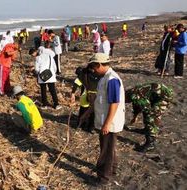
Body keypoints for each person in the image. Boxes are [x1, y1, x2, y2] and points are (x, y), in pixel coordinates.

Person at [88, 53, 125, 184]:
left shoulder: (112, 79)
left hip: (109, 122)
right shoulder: (105, 77)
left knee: (106, 150)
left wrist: (107, 123)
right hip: (105, 120)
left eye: (94, 67)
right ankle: (112, 169)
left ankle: (103, 177)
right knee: (109, 148)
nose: (93, 70)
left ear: (99, 64)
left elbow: (114, 102)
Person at [125, 83, 173, 152]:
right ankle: (147, 129)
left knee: (151, 117)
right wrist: (135, 117)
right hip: (154, 95)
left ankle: (150, 142)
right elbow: (136, 106)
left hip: (163, 97)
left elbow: (146, 107)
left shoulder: (133, 95)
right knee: (146, 112)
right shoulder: (130, 93)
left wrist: (149, 118)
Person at [70, 66, 100, 133]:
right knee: (88, 112)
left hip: (92, 97)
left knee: (89, 112)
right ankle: (85, 126)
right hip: (90, 97)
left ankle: (87, 126)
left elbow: (76, 83)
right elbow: (76, 83)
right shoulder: (87, 74)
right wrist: (73, 93)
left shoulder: (84, 74)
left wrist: (73, 93)